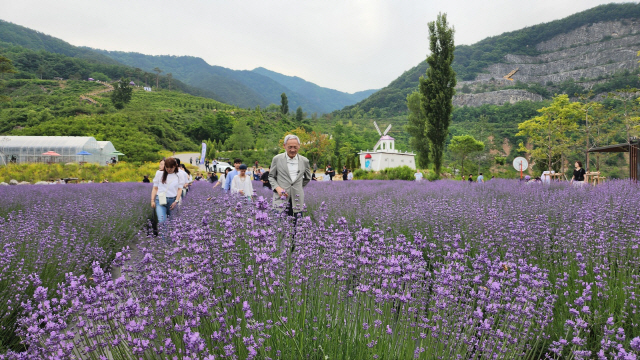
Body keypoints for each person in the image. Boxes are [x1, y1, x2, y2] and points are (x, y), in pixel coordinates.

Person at [269, 134, 312, 219]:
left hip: (297, 200)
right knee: (279, 228)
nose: (292, 150)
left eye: (295, 147)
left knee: (297, 229)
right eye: (290, 147)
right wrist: (278, 188)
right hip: (280, 199)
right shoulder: (277, 159)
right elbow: (271, 176)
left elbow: (307, 178)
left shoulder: (304, 161)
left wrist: (297, 187)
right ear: (284, 146)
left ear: (299, 146)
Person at [150, 157, 183, 228]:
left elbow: (180, 189)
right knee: (162, 221)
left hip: (172, 201)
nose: (169, 170)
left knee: (173, 223)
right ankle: (164, 239)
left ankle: (172, 238)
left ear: (175, 166)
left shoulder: (179, 175)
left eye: (171, 168)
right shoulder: (159, 173)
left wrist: (176, 201)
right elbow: (155, 188)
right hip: (160, 200)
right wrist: (152, 200)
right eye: (167, 167)